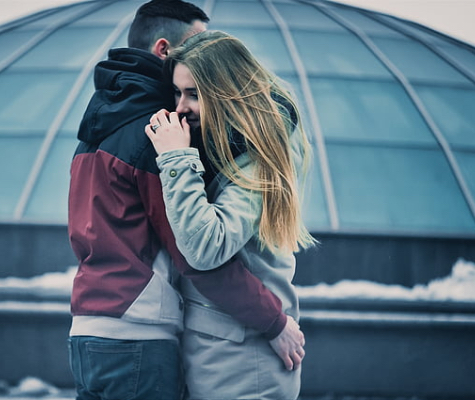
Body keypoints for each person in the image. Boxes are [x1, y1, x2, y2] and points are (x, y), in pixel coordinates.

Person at [67, 1, 305, 398]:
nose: (181, 106)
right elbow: (196, 255)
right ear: (164, 50)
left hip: (87, 329)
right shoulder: (158, 135)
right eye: (197, 42)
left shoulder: (98, 125)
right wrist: (274, 322)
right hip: (138, 332)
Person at [145, 30, 315, 399]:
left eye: (194, 94)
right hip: (222, 356)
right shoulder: (219, 147)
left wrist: (175, 158)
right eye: (177, 92)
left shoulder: (257, 157)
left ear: (226, 92)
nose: (181, 107)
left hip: (246, 366)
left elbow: (206, 247)